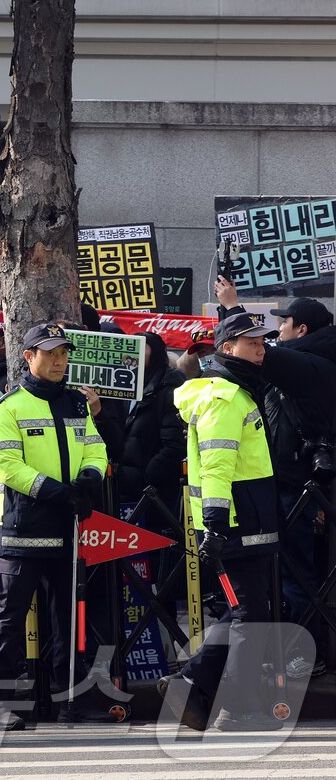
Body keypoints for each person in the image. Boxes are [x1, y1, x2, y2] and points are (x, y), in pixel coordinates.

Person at [0, 323, 110, 730]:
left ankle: (71, 700)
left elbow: (96, 446)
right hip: (22, 530)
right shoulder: (8, 408)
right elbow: (7, 467)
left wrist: (91, 476)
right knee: (8, 619)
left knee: (69, 621)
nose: (59, 360)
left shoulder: (75, 404)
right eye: (50, 353)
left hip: (67, 527)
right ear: (28, 356)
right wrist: (57, 492)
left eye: (63, 353)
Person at [163, 311, 283, 732]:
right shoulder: (226, 398)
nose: (261, 349)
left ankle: (188, 686)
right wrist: (215, 523)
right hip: (234, 523)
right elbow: (216, 465)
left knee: (244, 611)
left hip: (242, 520)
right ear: (227, 348)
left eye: (263, 342)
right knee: (249, 613)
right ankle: (237, 706)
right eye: (252, 343)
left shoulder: (237, 392)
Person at [214, 280, 336, 678]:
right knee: (279, 575)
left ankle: (305, 654)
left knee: (297, 572)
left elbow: (260, 357)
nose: (272, 337)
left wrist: (233, 309)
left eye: (280, 326)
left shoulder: (314, 361)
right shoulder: (306, 356)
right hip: (284, 486)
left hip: (300, 489)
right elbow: (245, 356)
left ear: (300, 329)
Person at [111, 332, 186, 504]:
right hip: (123, 485)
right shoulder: (122, 386)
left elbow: (175, 443)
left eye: (139, 349)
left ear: (155, 353)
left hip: (154, 492)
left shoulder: (170, 389)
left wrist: (147, 476)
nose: (132, 355)